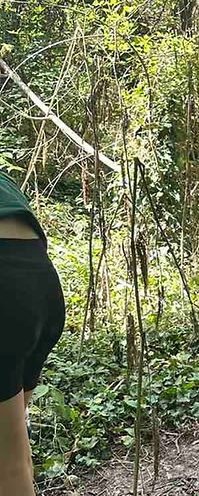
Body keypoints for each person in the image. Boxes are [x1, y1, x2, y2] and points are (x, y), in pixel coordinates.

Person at [0, 171, 65, 495]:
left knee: (6, 469)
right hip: (41, 286)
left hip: (6, 293)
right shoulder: (3, 181)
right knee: (13, 451)